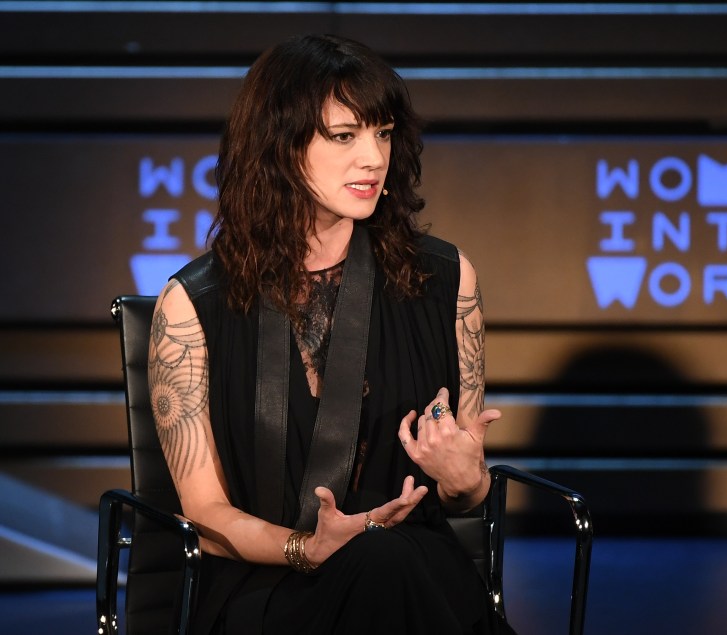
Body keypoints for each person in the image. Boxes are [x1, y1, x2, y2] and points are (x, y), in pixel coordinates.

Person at [147, 33, 508, 634]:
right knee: (379, 567)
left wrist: (467, 480)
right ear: (277, 147)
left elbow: (464, 497)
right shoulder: (191, 306)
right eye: (345, 136)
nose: (372, 157)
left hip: (413, 570)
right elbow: (206, 515)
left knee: (388, 563)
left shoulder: (446, 280)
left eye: (383, 133)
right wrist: (306, 548)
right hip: (269, 585)